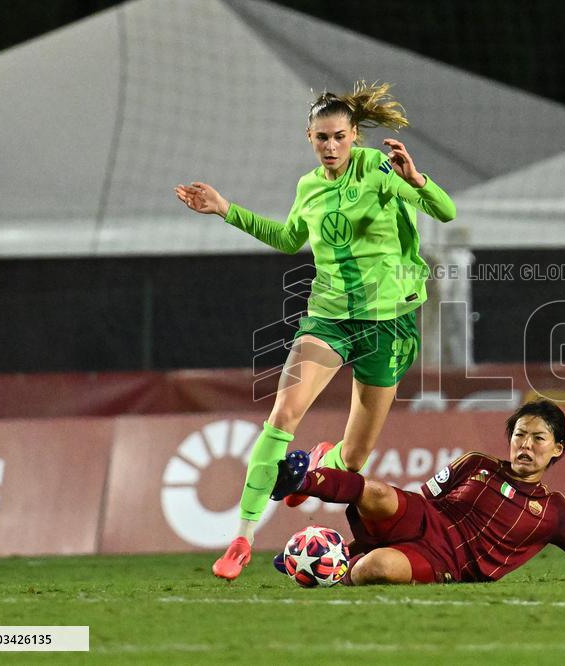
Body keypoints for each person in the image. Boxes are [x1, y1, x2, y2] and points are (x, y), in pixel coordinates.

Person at [175, 82, 457, 580]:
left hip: (389, 324)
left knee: (354, 458)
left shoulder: (380, 169)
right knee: (283, 413)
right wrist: (225, 209)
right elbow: (289, 239)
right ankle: (241, 538)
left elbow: (446, 212)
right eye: (322, 137)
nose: (331, 146)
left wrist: (417, 180)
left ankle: (324, 459)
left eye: (339, 137)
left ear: (354, 136)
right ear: (309, 137)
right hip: (328, 317)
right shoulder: (308, 187)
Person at [272, 400, 565, 585]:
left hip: (447, 562)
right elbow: (419, 504)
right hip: (427, 517)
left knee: (376, 569)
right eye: (519, 435)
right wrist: (362, 536)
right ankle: (300, 480)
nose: (525, 445)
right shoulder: (476, 463)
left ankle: (320, 564)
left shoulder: (555, 512)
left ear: (557, 449)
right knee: (380, 494)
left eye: (538, 438)